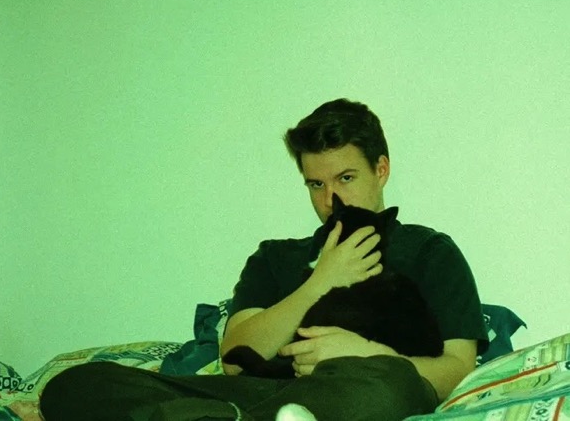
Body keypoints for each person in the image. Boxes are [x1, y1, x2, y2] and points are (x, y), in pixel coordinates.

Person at [40, 99, 488, 421]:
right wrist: (321, 281)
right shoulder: (276, 257)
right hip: (258, 392)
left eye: (346, 178)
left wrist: (369, 354)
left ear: (381, 170)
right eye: (316, 184)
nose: (330, 198)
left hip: (362, 389)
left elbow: (457, 370)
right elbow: (236, 359)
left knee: (388, 389)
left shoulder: (430, 252)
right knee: (76, 385)